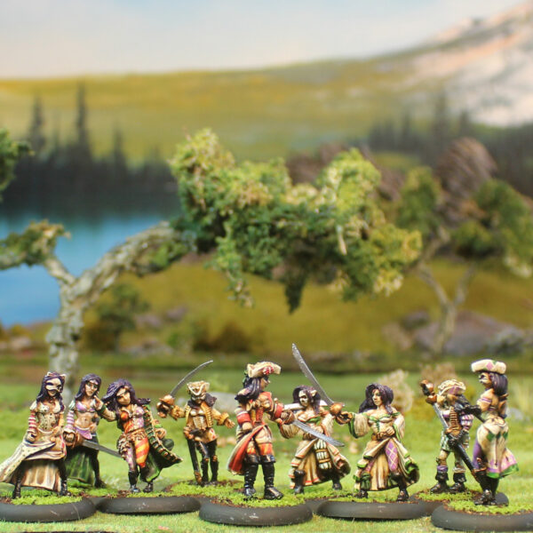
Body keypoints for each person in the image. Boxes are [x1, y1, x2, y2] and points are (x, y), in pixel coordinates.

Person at [333, 383, 419, 502]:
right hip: (375, 443)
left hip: (388, 441)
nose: (375, 397)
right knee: (366, 467)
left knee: (393, 467)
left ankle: (403, 491)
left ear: (384, 396)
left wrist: (393, 427)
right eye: (373, 395)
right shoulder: (370, 413)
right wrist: (349, 416)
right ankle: (363, 491)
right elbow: (359, 418)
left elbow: (400, 418)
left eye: (378, 395)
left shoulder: (391, 411)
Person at [227, 361, 294, 499]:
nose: (268, 382)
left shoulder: (266, 396)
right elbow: (240, 410)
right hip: (247, 432)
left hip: (261, 430)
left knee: (268, 458)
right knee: (251, 459)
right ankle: (248, 488)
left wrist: (284, 414)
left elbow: (274, 412)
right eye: (266, 379)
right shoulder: (245, 395)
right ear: (257, 380)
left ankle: (269, 488)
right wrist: (245, 422)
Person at [102, 379, 181, 493]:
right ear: (116, 399)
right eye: (120, 397)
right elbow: (110, 416)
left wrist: (159, 429)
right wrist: (100, 407)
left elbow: (151, 420)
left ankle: (149, 483)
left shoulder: (141, 406)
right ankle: (133, 486)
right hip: (127, 439)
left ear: (130, 391)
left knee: (141, 461)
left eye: (126, 393)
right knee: (131, 464)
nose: (125, 398)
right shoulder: (118, 411)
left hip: (141, 436)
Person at [0, 372, 69, 498]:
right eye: (51, 384)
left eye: (58, 386)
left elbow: (61, 418)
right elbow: (32, 417)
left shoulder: (59, 404)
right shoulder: (38, 403)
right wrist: (32, 429)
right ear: (45, 385)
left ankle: (63, 486)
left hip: (53, 437)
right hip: (39, 435)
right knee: (26, 458)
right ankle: (17, 488)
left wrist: (60, 427)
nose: (54, 389)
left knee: (59, 460)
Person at [157, 380, 235, 485]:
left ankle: (214, 478)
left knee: (213, 457)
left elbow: (216, 414)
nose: (198, 399)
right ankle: (205, 479)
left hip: (209, 435)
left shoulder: (207, 406)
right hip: (197, 436)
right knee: (205, 457)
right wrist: (168, 408)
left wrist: (226, 420)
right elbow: (181, 413)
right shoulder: (189, 407)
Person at [280, 385, 350, 494]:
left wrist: (323, 425)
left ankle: (336, 482)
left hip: (320, 439)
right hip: (307, 441)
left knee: (327, 462)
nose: (302, 400)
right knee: (300, 463)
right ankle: (299, 486)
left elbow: (329, 416)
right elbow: (291, 430)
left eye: (304, 397)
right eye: (300, 398)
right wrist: (283, 420)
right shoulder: (299, 414)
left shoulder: (318, 410)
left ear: (311, 397)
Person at [469, 359, 518, 505]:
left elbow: (480, 409)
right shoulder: (502, 395)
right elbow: (503, 414)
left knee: (477, 460)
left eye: (483, 376)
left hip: (489, 428)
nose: (480, 379)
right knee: (494, 460)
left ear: (493, 378)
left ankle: (487, 492)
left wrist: (467, 408)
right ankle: (492, 495)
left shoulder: (488, 394)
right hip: (502, 427)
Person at [64, 373, 115, 486]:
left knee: (93, 456)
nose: (91, 388)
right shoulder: (77, 401)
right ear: (84, 385)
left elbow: (99, 415)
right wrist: (69, 428)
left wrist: (96, 422)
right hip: (77, 431)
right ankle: (62, 477)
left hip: (90, 433)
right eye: (89, 385)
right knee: (67, 453)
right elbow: (70, 414)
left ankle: (97, 479)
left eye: (95, 386)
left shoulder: (96, 402)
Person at [424, 379, 473, 494]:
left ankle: (459, 483)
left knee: (459, 460)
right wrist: (432, 400)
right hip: (447, 436)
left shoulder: (461, 407)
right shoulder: (445, 404)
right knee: (441, 457)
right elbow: (437, 405)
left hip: (459, 437)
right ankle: (441, 482)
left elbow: (467, 424)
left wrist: (458, 437)